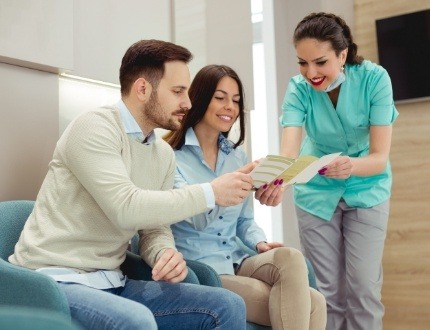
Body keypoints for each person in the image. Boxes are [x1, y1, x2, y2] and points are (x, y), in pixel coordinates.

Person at [8, 39, 257, 330]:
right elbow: (126, 208)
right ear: (142, 89)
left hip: (113, 281)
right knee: (135, 321)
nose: (188, 103)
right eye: (177, 91)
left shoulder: (162, 153)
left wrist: (163, 253)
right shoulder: (94, 128)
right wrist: (211, 192)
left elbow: (154, 227)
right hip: (55, 280)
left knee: (226, 305)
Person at [162, 64, 327, 330]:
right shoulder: (170, 156)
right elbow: (195, 219)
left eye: (236, 101)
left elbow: (244, 221)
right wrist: (226, 186)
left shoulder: (236, 156)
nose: (230, 106)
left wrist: (259, 242)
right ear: (200, 98)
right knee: (314, 304)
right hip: (203, 269)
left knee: (291, 258)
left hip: (238, 258)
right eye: (220, 98)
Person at [279, 13, 398, 330]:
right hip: (315, 191)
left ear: (342, 54)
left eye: (320, 62)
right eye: (302, 63)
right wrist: (276, 180)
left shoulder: (375, 79)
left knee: (364, 290)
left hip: (367, 189)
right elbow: (288, 152)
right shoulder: (298, 88)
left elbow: (379, 158)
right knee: (325, 294)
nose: (310, 73)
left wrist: (350, 166)